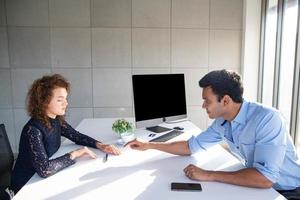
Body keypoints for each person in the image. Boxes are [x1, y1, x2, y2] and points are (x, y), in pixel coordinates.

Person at [126, 69, 300, 199]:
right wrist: (149, 145)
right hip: (257, 187)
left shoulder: (268, 118)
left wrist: (209, 174)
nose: (203, 106)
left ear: (225, 100)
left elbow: (265, 179)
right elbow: (189, 146)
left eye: (206, 100)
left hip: (287, 191)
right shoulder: (222, 122)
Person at [10, 74, 121, 195]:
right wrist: (75, 153)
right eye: (60, 100)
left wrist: (100, 145)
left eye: (66, 99)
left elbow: (76, 136)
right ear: (44, 101)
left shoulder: (55, 120)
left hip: (40, 181)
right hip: (26, 186)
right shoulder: (33, 129)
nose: (66, 103)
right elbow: (45, 170)